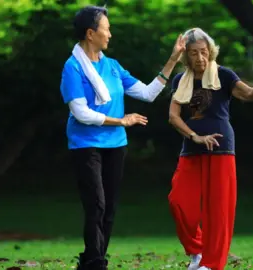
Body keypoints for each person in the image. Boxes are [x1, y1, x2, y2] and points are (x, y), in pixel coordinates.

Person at [59, 5, 185, 270]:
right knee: (96, 204)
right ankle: (94, 261)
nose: (110, 35)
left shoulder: (113, 66)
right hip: (86, 145)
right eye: (107, 29)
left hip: (116, 145)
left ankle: (94, 260)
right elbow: (80, 112)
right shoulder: (73, 68)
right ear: (91, 33)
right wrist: (122, 120)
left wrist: (173, 59)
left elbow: (149, 93)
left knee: (110, 207)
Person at [167, 28, 253, 270]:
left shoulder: (224, 75)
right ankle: (197, 251)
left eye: (204, 52)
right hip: (192, 148)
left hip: (221, 147)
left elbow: (249, 94)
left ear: (211, 52)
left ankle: (211, 263)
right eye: (194, 53)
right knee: (178, 201)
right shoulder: (180, 80)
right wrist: (195, 136)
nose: (199, 58)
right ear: (186, 56)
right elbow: (173, 116)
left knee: (219, 209)